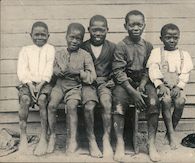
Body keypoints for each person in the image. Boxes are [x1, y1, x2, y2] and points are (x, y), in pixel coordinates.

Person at [112, 10, 160, 162]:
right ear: (125, 26)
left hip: (144, 82)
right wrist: (132, 92)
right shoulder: (121, 46)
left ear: (144, 25)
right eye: (132, 25)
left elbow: (149, 69)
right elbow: (118, 72)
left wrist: (143, 85)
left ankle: (151, 143)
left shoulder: (148, 46)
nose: (136, 28)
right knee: (118, 103)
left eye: (139, 24)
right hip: (125, 83)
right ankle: (120, 143)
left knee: (153, 102)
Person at [46, 23, 96, 154]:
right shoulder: (59, 53)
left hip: (74, 86)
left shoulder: (85, 55)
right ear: (66, 37)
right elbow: (52, 68)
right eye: (71, 37)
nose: (74, 41)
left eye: (78, 38)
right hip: (60, 85)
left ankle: (73, 139)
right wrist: (56, 71)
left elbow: (92, 76)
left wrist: (79, 72)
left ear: (82, 39)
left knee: (72, 106)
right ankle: (52, 136)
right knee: (51, 106)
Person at [147, 23, 193, 149]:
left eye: (175, 37)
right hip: (164, 85)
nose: (172, 40)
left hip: (178, 85)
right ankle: (172, 134)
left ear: (179, 38)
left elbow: (185, 73)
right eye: (168, 37)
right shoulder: (157, 52)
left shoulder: (184, 54)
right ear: (161, 38)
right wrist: (159, 84)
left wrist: (179, 86)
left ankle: (170, 131)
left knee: (180, 102)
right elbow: (153, 69)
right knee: (166, 101)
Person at [16, 21, 55, 156]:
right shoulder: (25, 50)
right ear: (31, 35)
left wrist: (41, 84)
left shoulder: (50, 49)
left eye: (43, 35)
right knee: (25, 99)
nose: (39, 37)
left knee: (42, 100)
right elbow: (22, 69)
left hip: (44, 83)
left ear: (48, 36)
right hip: (28, 83)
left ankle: (44, 137)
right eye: (36, 34)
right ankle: (23, 137)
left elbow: (49, 68)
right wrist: (29, 84)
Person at [81, 15, 116, 158]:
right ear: (89, 29)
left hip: (105, 83)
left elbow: (118, 66)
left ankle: (106, 139)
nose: (98, 33)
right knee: (89, 106)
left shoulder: (112, 47)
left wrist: (114, 79)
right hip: (87, 84)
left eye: (101, 30)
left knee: (107, 104)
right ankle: (91, 140)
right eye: (94, 30)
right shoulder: (82, 47)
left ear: (107, 30)